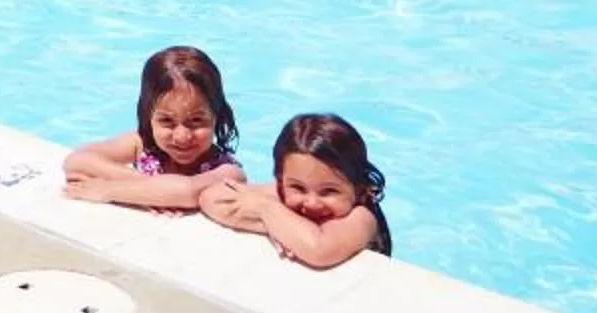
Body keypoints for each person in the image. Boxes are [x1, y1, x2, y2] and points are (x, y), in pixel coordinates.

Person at [64, 45, 244, 211]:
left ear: (217, 116)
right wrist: (148, 191)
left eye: (196, 121)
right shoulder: (142, 145)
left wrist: (110, 190)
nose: (182, 136)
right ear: (148, 117)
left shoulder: (228, 172)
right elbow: (76, 160)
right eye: (167, 121)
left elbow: (187, 192)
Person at [198, 112, 391, 266]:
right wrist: (277, 227)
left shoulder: (363, 216)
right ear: (281, 181)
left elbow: (320, 250)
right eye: (298, 187)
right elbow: (210, 198)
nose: (312, 202)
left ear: (358, 188)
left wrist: (268, 211)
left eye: (329, 191)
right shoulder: (287, 192)